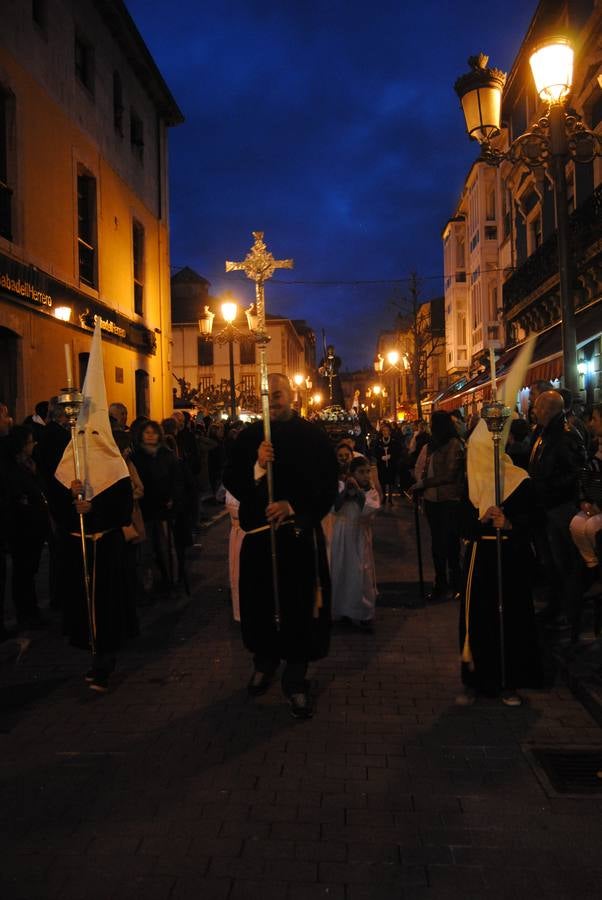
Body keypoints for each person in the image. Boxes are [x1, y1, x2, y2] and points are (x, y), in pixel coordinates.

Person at [223, 373, 338, 719]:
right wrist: (258, 466)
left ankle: (296, 678)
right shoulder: (248, 437)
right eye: (267, 397)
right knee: (261, 605)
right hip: (260, 539)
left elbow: (326, 485)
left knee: (299, 608)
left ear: (292, 395)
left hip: (297, 539)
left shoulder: (313, 438)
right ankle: (264, 662)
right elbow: (231, 479)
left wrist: (293, 507)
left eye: (278, 394)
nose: (274, 401)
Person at [456, 418, 543, 707]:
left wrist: (510, 524)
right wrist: (480, 521)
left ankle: (510, 681)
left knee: (512, 617)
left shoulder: (519, 480)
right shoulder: (470, 483)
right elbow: (463, 525)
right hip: (481, 558)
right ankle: (477, 680)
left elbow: (534, 520)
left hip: (509, 557)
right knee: (479, 618)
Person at [529, 390, 586, 632]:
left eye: (537, 407)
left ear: (548, 410)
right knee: (550, 561)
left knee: (563, 561)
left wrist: (548, 487)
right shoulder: (544, 434)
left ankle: (567, 612)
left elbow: (575, 473)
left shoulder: (565, 436)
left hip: (559, 507)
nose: (533, 411)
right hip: (544, 507)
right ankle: (555, 606)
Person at [412, 411, 465, 602]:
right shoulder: (431, 446)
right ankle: (440, 582)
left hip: (448, 500)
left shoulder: (454, 445)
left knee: (451, 543)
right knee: (437, 544)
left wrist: (424, 484)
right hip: (432, 500)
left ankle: (456, 583)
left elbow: (450, 475)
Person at [5, 425, 50, 630]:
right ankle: (26, 612)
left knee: (30, 570)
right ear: (22, 446)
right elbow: (19, 496)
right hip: (22, 528)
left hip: (35, 526)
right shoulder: (12, 469)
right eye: (31, 442)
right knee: (23, 572)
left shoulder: (30, 465)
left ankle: (31, 611)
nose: (34, 445)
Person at [330, 455, 380, 630]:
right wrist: (346, 492)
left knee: (361, 573)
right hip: (342, 534)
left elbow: (368, 509)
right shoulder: (340, 487)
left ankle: (364, 613)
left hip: (359, 535)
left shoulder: (371, 491)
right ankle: (343, 610)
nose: (366, 475)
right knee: (341, 570)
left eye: (368, 472)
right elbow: (334, 507)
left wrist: (358, 491)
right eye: (361, 472)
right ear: (352, 473)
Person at [373, 422, 401, 505]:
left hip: (392, 464)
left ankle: (390, 497)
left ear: (389, 432)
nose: (385, 432)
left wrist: (391, 456)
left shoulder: (394, 440)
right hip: (381, 464)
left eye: (387, 430)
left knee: (391, 480)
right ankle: (384, 497)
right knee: (383, 480)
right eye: (383, 430)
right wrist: (380, 457)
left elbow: (398, 450)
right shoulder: (378, 441)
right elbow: (375, 450)